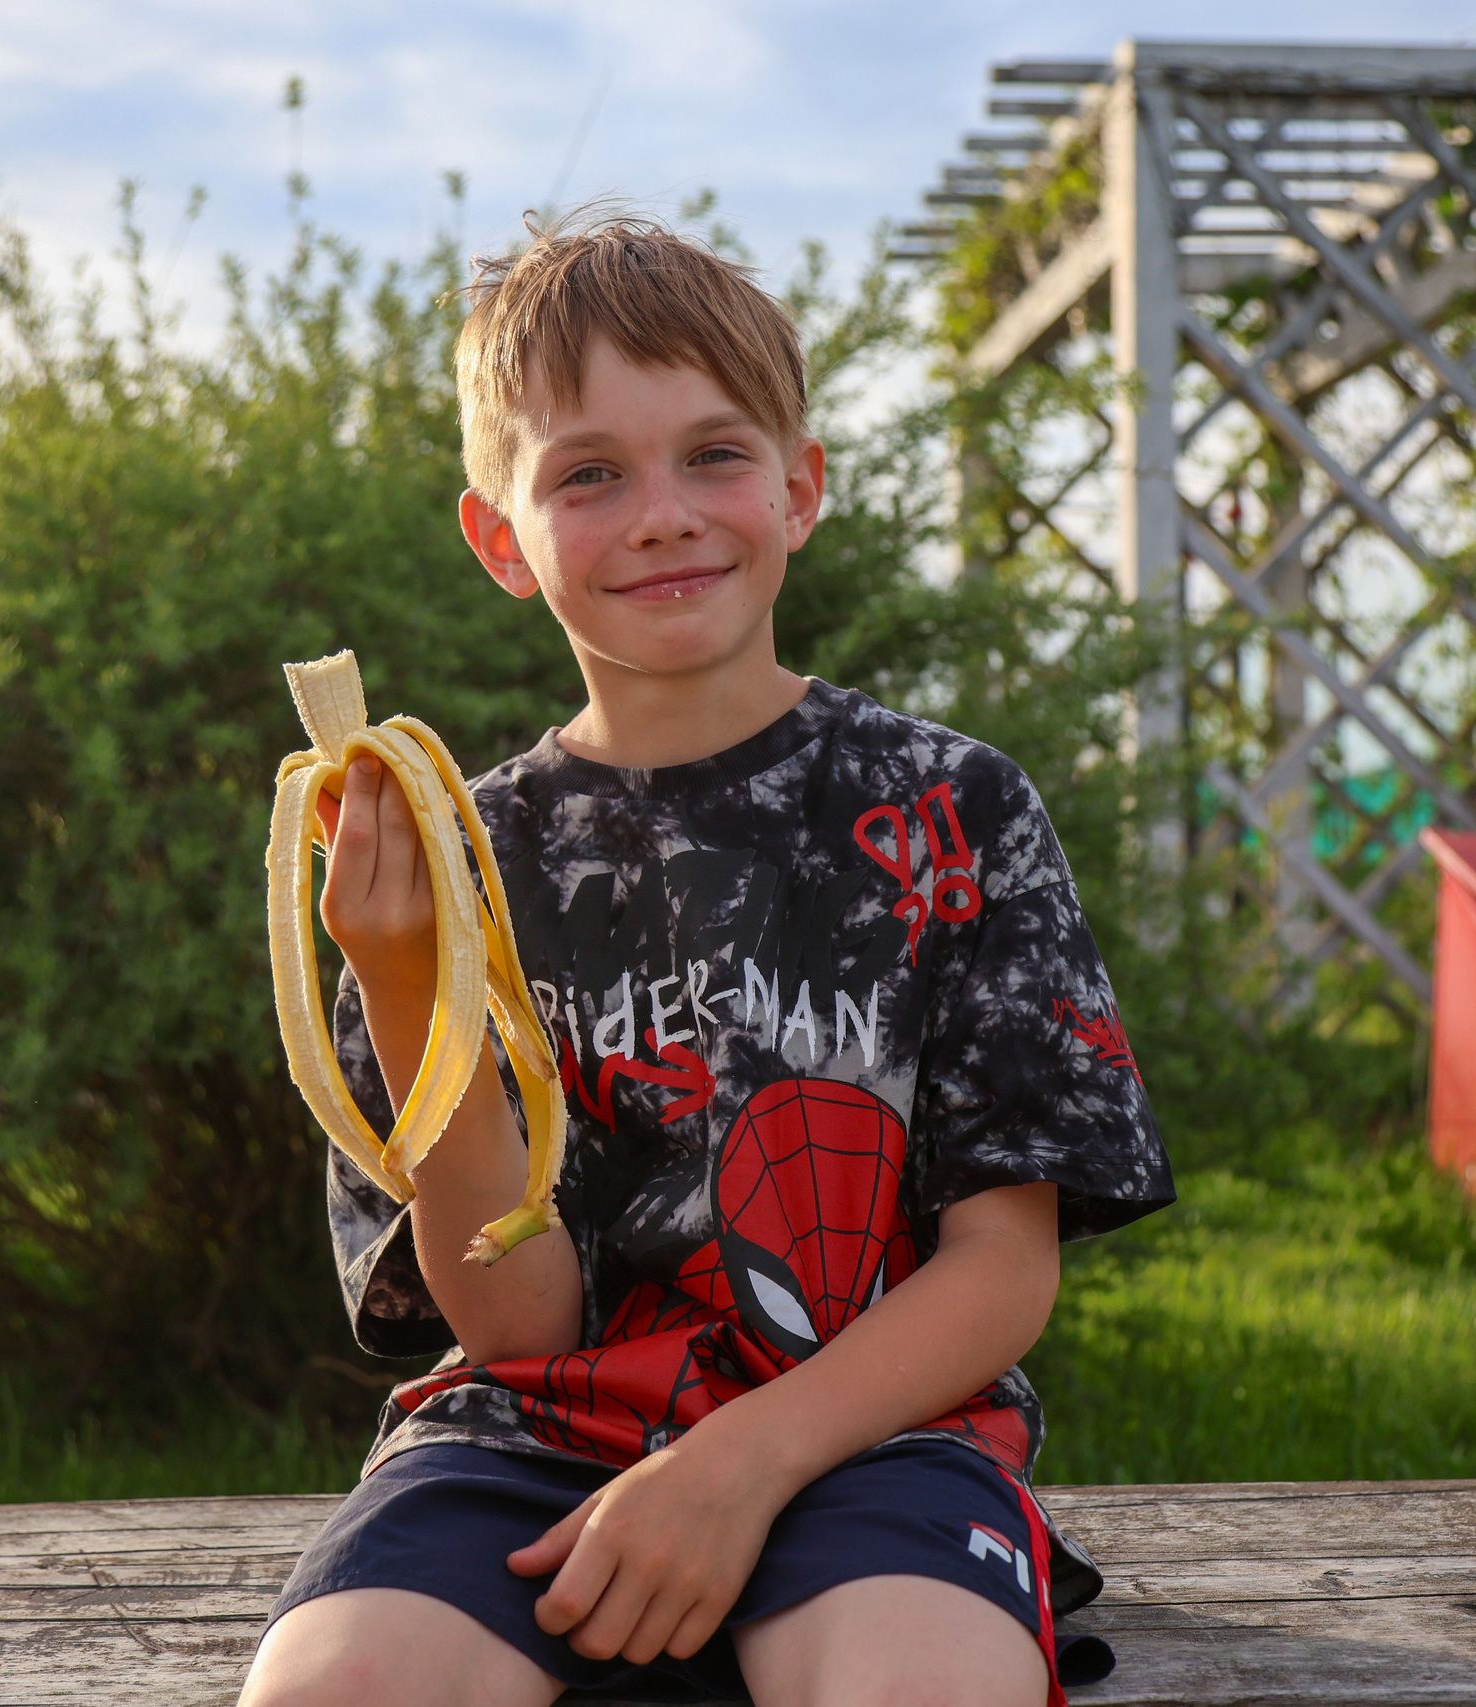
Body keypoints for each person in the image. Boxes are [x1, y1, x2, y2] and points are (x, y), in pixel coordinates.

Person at [237, 213, 1172, 1707]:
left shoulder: (955, 810)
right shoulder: (446, 865)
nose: (661, 513)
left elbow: (1001, 1271)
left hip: (877, 1435)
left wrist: (732, 1470)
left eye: (714, 457)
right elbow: (519, 1323)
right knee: (336, 1689)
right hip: (525, 1437)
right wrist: (413, 986)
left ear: (801, 489)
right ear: (502, 540)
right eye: (588, 474)